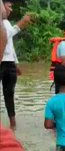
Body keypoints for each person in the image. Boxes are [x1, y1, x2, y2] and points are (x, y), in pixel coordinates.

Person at [1, 0, 33, 130]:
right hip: (1, 62)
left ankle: (13, 125)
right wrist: (20, 24)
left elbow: (10, 45)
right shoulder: (3, 24)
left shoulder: (6, 22)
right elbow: (5, 35)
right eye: (8, 7)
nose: (10, 10)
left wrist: (15, 64)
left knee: (9, 94)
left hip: (8, 63)